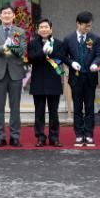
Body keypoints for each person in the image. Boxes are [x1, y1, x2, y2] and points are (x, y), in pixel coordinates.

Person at [0, 4, 27, 147]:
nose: (7, 15)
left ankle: (15, 136)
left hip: (15, 72)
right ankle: (0, 137)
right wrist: (4, 47)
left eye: (9, 13)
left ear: (13, 15)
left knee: (15, 107)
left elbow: (22, 50)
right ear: (0, 16)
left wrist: (13, 46)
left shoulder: (20, 31)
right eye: (4, 13)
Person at [62, 11, 100, 147]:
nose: (88, 28)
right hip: (76, 78)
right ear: (78, 24)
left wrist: (95, 63)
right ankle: (79, 134)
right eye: (86, 26)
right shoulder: (69, 39)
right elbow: (64, 56)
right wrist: (71, 63)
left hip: (90, 77)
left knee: (90, 106)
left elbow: (98, 55)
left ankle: (89, 134)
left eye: (90, 26)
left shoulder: (95, 38)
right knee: (78, 107)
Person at [27, 19, 64, 147]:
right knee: (39, 112)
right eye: (41, 27)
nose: (44, 29)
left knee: (54, 112)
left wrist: (51, 51)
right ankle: (40, 137)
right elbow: (31, 59)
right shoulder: (32, 44)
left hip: (54, 82)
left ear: (51, 29)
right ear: (38, 30)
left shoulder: (58, 43)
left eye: (46, 27)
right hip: (38, 82)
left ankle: (54, 137)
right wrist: (43, 52)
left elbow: (61, 58)